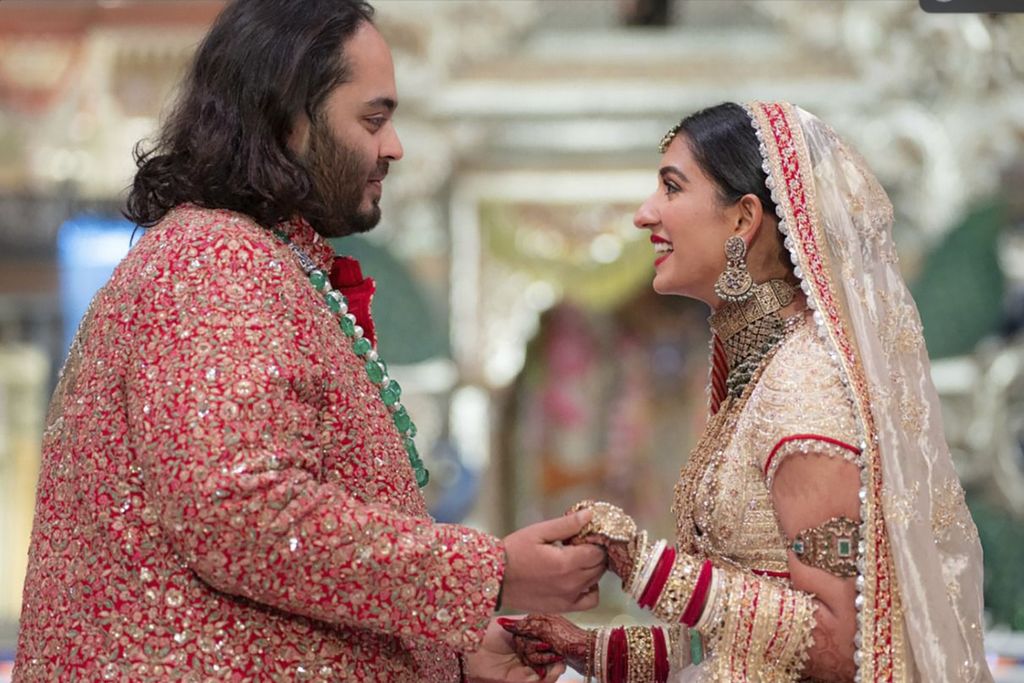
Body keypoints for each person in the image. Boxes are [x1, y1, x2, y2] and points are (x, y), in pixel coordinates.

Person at [13, 1, 605, 681]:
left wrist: (450, 652)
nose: (394, 147)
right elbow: (240, 512)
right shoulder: (216, 260)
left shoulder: (261, 262)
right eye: (372, 119)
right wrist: (490, 574)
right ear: (288, 120)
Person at [504, 101, 991, 682]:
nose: (644, 214)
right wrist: (592, 651)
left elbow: (840, 643)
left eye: (671, 187)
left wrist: (645, 564)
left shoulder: (806, 390)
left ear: (742, 219)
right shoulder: (759, 376)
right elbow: (739, 641)